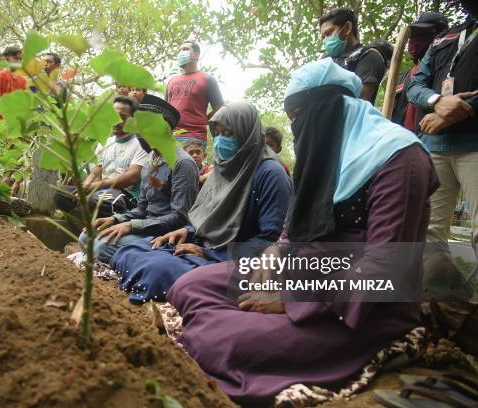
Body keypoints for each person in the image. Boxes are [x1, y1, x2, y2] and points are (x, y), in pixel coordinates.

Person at [167, 58, 438, 406]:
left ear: (332, 107)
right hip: (303, 270)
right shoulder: (325, 150)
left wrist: (294, 300)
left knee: (219, 339)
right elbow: (294, 224)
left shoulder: (400, 158)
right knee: (188, 284)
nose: (297, 128)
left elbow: (385, 266)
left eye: (300, 116)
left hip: (362, 303)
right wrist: (276, 252)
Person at [112, 102, 292, 303]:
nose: (220, 140)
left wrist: (208, 253)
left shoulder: (270, 173)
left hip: (234, 259)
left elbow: (269, 241)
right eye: (217, 133)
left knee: (158, 271)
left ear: (246, 134)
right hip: (202, 245)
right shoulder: (223, 168)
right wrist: (188, 231)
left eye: (229, 133)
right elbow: (208, 214)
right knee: (131, 251)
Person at [406, 0, 478, 299]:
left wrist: (452, 111)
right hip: (434, 147)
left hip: (474, 144)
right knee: (428, 233)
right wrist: (437, 102)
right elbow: (415, 85)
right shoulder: (445, 38)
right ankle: (441, 309)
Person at [80, 95, 199, 265]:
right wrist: (116, 220)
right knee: (87, 236)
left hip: (163, 235)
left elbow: (180, 217)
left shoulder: (182, 163)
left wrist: (131, 226)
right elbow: (142, 208)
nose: (140, 133)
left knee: (101, 246)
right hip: (144, 228)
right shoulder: (150, 160)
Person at [54, 96, 149, 215]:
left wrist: (95, 187)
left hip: (127, 196)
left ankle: (91, 218)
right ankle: (89, 219)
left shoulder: (141, 144)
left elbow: (132, 177)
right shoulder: (106, 142)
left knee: (96, 201)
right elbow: (96, 172)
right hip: (102, 192)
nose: (115, 121)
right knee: (60, 193)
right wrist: (85, 187)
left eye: (122, 117)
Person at [391, 12, 449, 132]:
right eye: (412, 36)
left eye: (423, 35)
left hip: (433, 144)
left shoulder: (447, 72)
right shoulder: (401, 77)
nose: (414, 41)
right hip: (402, 143)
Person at [319, 7, 387, 104]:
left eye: (329, 33)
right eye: (323, 37)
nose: (326, 40)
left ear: (347, 28)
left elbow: (360, 99)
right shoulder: (326, 60)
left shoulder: (368, 56)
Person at [165, 41, 224, 147]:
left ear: (196, 55)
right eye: (179, 50)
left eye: (185, 49)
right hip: (171, 137)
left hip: (194, 136)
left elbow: (219, 107)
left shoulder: (207, 79)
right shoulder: (171, 81)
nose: (180, 52)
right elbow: (165, 109)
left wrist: (204, 120)